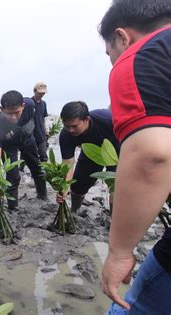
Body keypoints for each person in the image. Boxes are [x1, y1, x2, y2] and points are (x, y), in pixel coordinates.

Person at [98, 1, 171, 313]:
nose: (112, 61)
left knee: (131, 307)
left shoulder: (143, 57)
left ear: (122, 38)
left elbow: (152, 156)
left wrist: (119, 252)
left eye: (109, 53)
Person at [56, 102, 120, 214]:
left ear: (87, 119)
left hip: (117, 152)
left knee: (116, 187)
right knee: (78, 184)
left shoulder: (108, 121)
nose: (70, 130)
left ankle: (115, 219)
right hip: (92, 152)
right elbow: (68, 164)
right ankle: (74, 211)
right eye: (67, 126)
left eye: (74, 126)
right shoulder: (66, 135)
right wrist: (64, 188)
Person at [0, 90, 48, 211]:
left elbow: (37, 122)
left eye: (17, 112)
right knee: (13, 176)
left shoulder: (30, 105)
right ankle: (13, 207)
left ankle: (42, 196)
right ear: (1, 109)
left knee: (37, 168)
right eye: (8, 113)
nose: (13, 117)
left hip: (27, 139)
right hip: (9, 145)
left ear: (23, 106)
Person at [30, 82, 49, 162]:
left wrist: (46, 130)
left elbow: (43, 118)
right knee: (27, 154)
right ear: (34, 91)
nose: (42, 95)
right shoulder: (29, 103)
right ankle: (21, 169)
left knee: (43, 154)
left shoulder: (43, 104)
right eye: (40, 93)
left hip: (41, 133)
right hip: (31, 133)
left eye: (43, 93)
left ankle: (44, 172)